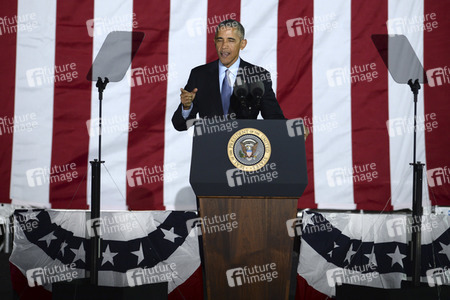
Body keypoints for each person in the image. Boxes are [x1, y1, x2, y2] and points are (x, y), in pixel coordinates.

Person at [172, 19, 285, 131]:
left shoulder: (258, 75)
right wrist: (186, 107)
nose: (224, 46)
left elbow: (273, 117)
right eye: (220, 40)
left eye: (231, 40)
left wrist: (293, 129)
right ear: (215, 42)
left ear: (242, 44)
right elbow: (179, 125)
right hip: (209, 146)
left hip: (243, 146)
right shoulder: (199, 75)